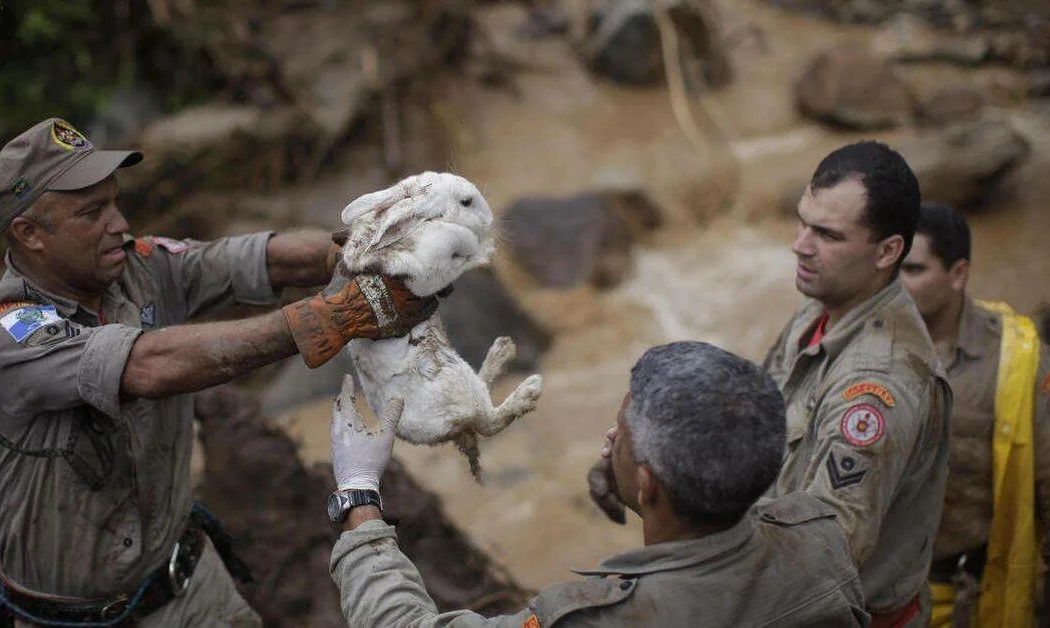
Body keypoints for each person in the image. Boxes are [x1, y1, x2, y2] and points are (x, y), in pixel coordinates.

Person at [0, 118, 436, 626]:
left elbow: (258, 261)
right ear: (29, 234)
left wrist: (364, 255)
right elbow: (147, 365)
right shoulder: (6, 334)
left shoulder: (138, 267)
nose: (118, 223)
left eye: (114, 202)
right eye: (92, 212)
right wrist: (337, 317)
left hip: (191, 587)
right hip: (73, 619)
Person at [591, 141, 951, 625]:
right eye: (803, 222)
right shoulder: (824, 306)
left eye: (827, 234)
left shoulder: (877, 388)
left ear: (888, 251)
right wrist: (641, 463)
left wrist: (670, 511)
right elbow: (749, 438)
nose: (800, 244)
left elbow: (828, 558)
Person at [327, 341, 869, 626]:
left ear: (650, 484)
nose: (611, 433)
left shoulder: (601, 618)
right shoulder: (822, 538)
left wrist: (358, 493)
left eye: (624, 432)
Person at [900, 202, 1050, 626]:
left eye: (913, 270)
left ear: (958, 274)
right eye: (891, 267)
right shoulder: (865, 344)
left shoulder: (1019, 363)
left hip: (970, 597)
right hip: (874, 592)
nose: (895, 284)